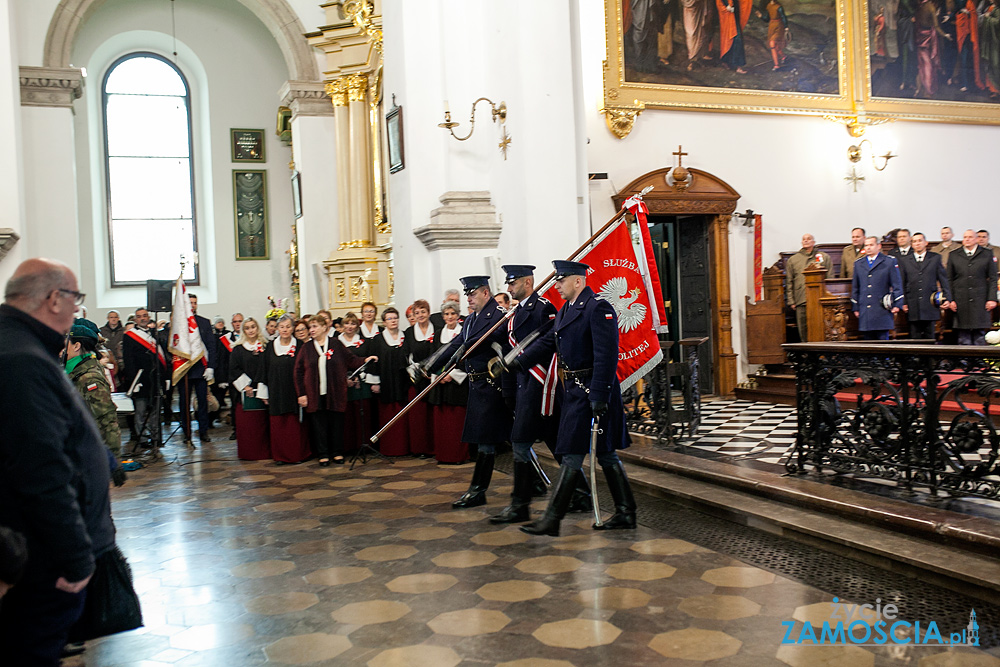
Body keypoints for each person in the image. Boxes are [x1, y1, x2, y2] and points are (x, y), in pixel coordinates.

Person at [0, 258, 116, 665]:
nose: (75, 309)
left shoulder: (20, 345)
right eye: (75, 298)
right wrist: (76, 558)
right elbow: (40, 470)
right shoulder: (22, 360)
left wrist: (102, 459)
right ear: (54, 299)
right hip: (44, 560)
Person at [513, 260, 635, 537]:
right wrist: (518, 362)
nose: (556, 285)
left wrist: (601, 395)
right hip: (575, 392)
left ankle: (551, 519)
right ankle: (626, 512)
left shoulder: (597, 308)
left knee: (571, 454)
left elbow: (607, 356)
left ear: (578, 281)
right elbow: (548, 343)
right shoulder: (567, 309)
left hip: (592, 391)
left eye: (561, 280)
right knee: (605, 454)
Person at [433, 277, 514, 508]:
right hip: (477, 386)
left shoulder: (497, 315)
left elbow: (476, 343)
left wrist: (459, 353)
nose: (469, 298)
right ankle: (536, 482)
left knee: (486, 441)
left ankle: (478, 491)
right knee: (514, 440)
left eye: (473, 294)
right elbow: (456, 342)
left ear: (486, 293)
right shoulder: (469, 320)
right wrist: (429, 365)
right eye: (467, 294)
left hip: (493, 385)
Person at [490, 265, 561, 525]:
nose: (508, 288)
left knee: (520, 442)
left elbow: (552, 339)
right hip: (523, 385)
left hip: (540, 384)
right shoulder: (515, 313)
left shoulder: (543, 308)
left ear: (528, 282)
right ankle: (580, 493)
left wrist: (521, 361)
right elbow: (503, 342)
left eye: (513, 283)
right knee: (555, 442)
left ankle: (520, 506)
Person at [295, 314, 373, 465]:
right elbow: (298, 371)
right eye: (310, 327)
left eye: (315, 326)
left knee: (336, 423)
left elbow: (350, 360)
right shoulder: (306, 348)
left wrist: (365, 360)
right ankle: (323, 454)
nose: (312, 330)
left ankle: (337, 452)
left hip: (335, 392)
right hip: (315, 394)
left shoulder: (336, 344)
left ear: (325, 327)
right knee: (319, 425)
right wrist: (302, 394)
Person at [64, 318, 124, 464]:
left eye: (66, 342)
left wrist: (115, 459)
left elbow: (108, 420)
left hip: (89, 453)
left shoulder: (89, 378)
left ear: (77, 345)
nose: (62, 347)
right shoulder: (74, 371)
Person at [262, 315, 311, 464]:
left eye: (288, 326)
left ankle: (298, 455)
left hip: (295, 392)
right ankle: (280, 456)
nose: (285, 330)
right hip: (276, 392)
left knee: (295, 425)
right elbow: (264, 370)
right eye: (282, 327)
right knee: (278, 425)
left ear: (293, 328)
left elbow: (306, 370)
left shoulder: (301, 346)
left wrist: (305, 393)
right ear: (277, 328)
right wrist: (264, 393)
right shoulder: (270, 347)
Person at [427, 300, 471, 464]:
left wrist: (452, 375)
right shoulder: (438, 334)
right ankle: (443, 455)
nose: (450, 317)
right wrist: (440, 374)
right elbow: (434, 357)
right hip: (441, 384)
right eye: (446, 314)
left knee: (457, 424)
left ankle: (459, 456)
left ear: (458, 316)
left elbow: (467, 357)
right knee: (443, 425)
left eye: (453, 313)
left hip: (458, 384)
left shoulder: (464, 332)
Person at [121, 308, 167, 448]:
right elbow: (128, 360)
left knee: (156, 411)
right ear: (135, 319)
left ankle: (156, 438)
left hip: (155, 378)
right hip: (140, 379)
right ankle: (142, 439)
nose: (142, 318)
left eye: (145, 316)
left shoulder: (154, 334)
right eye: (139, 316)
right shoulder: (129, 335)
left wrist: (166, 377)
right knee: (140, 412)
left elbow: (162, 357)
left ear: (149, 317)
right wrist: (134, 380)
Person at [370, 307, 410, 457]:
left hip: (402, 383)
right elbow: (374, 363)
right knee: (387, 414)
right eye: (389, 319)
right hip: (386, 383)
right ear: (384, 322)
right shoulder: (378, 340)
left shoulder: (405, 336)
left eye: (395, 318)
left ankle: (404, 448)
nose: (393, 321)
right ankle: (389, 448)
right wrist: (375, 382)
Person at [947, 229, 999, 344]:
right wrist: (950, 299)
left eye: (970, 237)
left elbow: (993, 278)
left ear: (976, 239)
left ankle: (979, 360)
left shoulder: (986, 254)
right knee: (963, 334)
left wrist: (991, 298)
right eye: (965, 237)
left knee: (979, 333)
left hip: (980, 298)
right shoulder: (954, 255)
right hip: (961, 299)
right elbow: (949, 279)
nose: (967, 239)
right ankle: (964, 361)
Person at [229, 317, 270, 460]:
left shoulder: (266, 346)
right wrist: (245, 386)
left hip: (264, 389)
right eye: (247, 328)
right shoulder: (238, 349)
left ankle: (265, 452)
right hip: (246, 392)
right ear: (243, 331)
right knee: (248, 426)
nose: (251, 330)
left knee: (263, 424)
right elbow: (233, 370)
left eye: (253, 327)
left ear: (257, 328)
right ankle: (249, 454)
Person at [179, 293, 217, 444]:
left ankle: (203, 431)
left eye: (195, 302)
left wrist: (211, 367)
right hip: (185, 370)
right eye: (190, 302)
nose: (192, 305)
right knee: (184, 403)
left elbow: (211, 347)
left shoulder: (204, 322)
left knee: (203, 402)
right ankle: (186, 432)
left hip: (201, 369)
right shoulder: (179, 324)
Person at [403, 300, 438, 459]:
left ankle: (435, 447)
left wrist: (431, 370)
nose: (420, 315)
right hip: (417, 380)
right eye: (417, 313)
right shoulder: (409, 333)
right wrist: (417, 370)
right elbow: (406, 356)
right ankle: (421, 448)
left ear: (429, 313)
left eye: (423, 311)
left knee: (433, 416)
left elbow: (440, 351)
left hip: (434, 378)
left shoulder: (437, 330)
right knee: (419, 417)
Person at [900, 232, 951, 340]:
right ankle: (916, 356)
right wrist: (903, 302)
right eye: (914, 241)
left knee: (930, 333)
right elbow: (902, 282)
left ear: (926, 243)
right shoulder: (905, 260)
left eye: (920, 241)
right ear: (911, 244)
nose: (917, 243)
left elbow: (943, 280)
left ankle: (930, 356)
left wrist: (947, 298)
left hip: (930, 301)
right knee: (914, 333)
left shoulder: (935, 258)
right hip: (912, 301)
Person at [339, 312, 378, 455]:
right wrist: (346, 378)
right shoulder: (336, 342)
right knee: (347, 416)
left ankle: (365, 445)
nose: (349, 326)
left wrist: (359, 376)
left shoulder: (364, 342)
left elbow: (368, 361)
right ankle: (349, 447)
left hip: (362, 382)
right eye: (347, 323)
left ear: (357, 326)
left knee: (363, 414)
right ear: (342, 326)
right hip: (343, 384)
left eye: (353, 324)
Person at [852, 236, 904, 340]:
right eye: (866, 245)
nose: (868, 248)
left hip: (882, 309)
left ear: (878, 246)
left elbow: (897, 285)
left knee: (883, 343)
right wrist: (855, 307)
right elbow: (855, 287)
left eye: (871, 245)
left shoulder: (888, 262)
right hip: (865, 310)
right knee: (868, 345)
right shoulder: (858, 264)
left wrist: (897, 304)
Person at [785, 233, 834, 340]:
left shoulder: (824, 257)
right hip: (801, 299)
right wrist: (791, 301)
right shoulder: (793, 260)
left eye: (809, 239)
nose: (806, 241)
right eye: (804, 239)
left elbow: (830, 278)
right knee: (803, 327)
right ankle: (806, 351)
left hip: (820, 299)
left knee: (821, 325)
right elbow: (789, 282)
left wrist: (829, 298)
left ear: (813, 242)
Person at [914, 0, 950, 97]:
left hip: (920, 36)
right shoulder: (931, 7)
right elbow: (936, 26)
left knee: (921, 64)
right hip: (928, 40)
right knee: (928, 66)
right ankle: (928, 91)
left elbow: (918, 21)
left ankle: (919, 89)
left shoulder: (920, 6)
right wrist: (945, 35)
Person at [717, 0, 751, 73]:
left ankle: (726, 61)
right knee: (736, 38)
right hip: (729, 11)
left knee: (733, 37)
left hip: (735, 10)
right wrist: (727, 5)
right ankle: (738, 66)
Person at [758, 0, 789, 69]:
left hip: (779, 26)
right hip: (772, 26)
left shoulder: (779, 7)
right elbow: (767, 19)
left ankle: (776, 65)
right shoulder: (769, 5)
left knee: (772, 43)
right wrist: (761, 16)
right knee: (775, 46)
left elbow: (783, 17)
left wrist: (786, 27)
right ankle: (783, 56)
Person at [99, 309, 125, 380]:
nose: (113, 319)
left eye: (115, 317)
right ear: (108, 318)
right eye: (111, 317)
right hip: (108, 361)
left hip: (121, 361)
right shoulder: (102, 331)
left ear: (118, 318)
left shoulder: (124, 331)